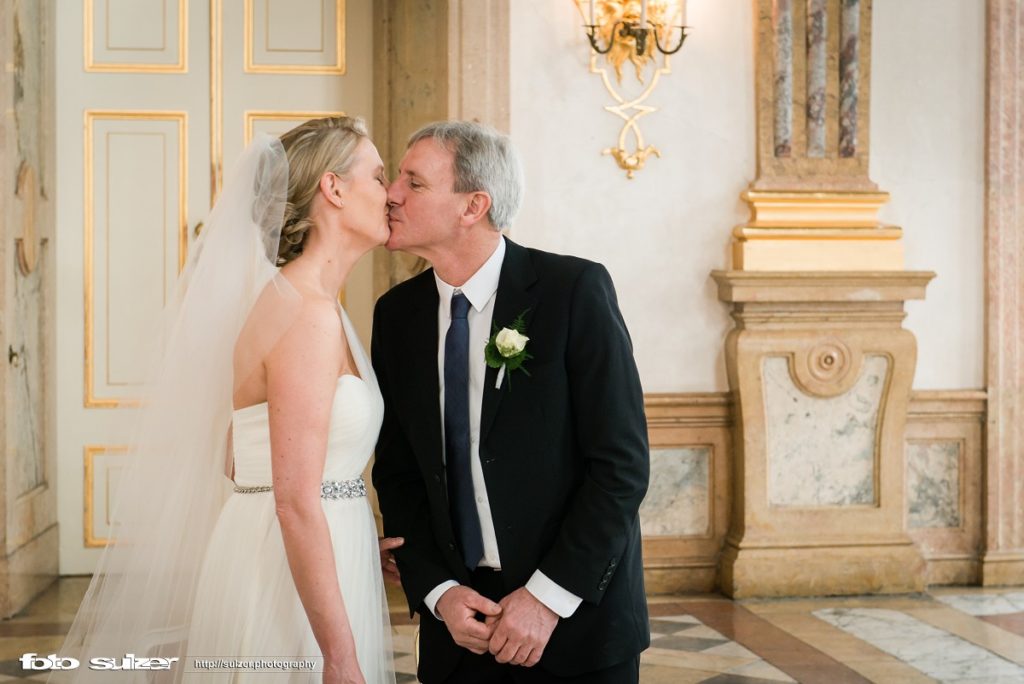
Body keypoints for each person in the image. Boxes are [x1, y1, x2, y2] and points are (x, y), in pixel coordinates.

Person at [56, 117, 396, 684]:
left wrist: (348, 518)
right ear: (333, 189)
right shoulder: (306, 315)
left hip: (300, 553)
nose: (392, 194)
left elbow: (239, 457)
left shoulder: (305, 302)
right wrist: (338, 656)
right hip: (283, 578)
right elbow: (292, 500)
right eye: (380, 176)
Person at [371, 121, 650, 684]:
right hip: (458, 631)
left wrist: (547, 599)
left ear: (473, 205)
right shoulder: (396, 315)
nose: (390, 194)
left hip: (576, 625)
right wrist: (439, 592)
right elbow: (399, 474)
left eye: (414, 183)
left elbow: (620, 467)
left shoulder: (573, 291)